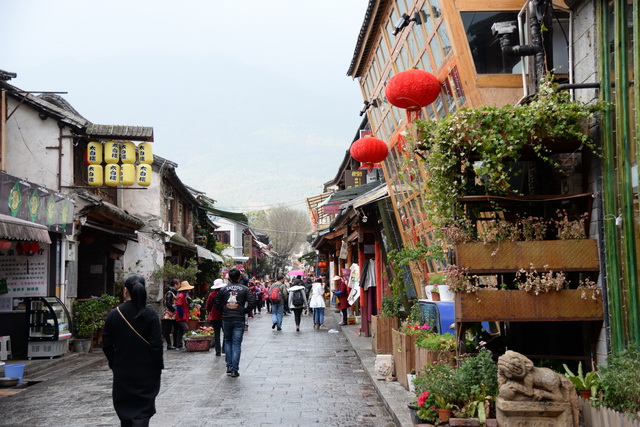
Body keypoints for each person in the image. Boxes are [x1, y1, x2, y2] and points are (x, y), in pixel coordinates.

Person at [102, 274, 164, 427]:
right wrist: (158, 367)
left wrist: (114, 363)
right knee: (143, 411)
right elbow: (157, 346)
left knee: (126, 411)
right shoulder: (151, 314)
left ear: (125, 291)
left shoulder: (115, 314)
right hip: (147, 371)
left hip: (123, 370)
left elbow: (107, 345)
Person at [214, 268, 256, 377]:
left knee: (228, 341)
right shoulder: (245, 289)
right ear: (240, 277)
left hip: (226, 318)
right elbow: (252, 302)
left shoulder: (223, 289)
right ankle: (234, 369)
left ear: (229, 278)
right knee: (236, 343)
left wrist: (224, 310)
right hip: (239, 318)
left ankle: (229, 365)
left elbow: (217, 303)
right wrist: (244, 311)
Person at [205, 279, 226, 356]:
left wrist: (209, 311)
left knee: (217, 334)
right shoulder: (224, 294)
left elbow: (208, 305)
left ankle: (218, 351)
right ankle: (224, 349)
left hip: (214, 316)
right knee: (225, 333)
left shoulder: (212, 294)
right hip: (224, 315)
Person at [173, 280, 194, 351]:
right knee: (186, 329)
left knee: (180, 330)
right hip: (180, 317)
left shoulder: (183, 296)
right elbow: (179, 306)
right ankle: (186, 343)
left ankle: (179, 345)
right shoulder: (181, 296)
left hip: (181, 316)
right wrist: (182, 315)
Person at [161, 278, 179, 350]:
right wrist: (174, 310)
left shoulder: (172, 293)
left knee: (175, 329)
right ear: (175, 285)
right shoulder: (170, 293)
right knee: (168, 330)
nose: (179, 285)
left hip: (172, 314)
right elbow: (168, 304)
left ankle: (174, 344)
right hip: (169, 314)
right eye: (178, 284)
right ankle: (169, 344)